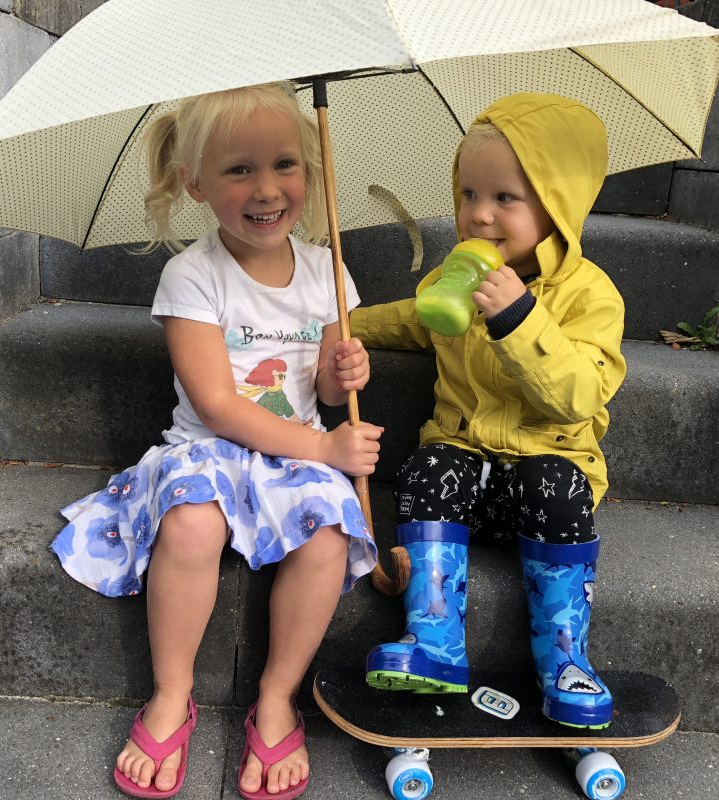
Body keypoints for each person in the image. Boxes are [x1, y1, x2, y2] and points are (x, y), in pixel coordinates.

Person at [50, 81, 383, 800]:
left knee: (328, 536)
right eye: (239, 170)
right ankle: (172, 692)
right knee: (191, 523)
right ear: (195, 183)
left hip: (291, 453)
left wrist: (341, 374)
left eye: (284, 164)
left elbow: (325, 396)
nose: (267, 188)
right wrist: (324, 450)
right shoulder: (192, 275)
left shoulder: (328, 271)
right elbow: (217, 403)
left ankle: (277, 695)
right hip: (208, 449)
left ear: (310, 170)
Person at [351, 93, 626, 730]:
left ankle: (565, 659)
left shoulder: (590, 296)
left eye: (506, 198)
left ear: (558, 206)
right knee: (428, 467)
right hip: (464, 477)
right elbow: (412, 321)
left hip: (544, 479)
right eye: (469, 193)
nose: (479, 214)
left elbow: (580, 394)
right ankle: (435, 641)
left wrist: (519, 319)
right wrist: (341, 326)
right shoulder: (455, 278)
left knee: (555, 483)